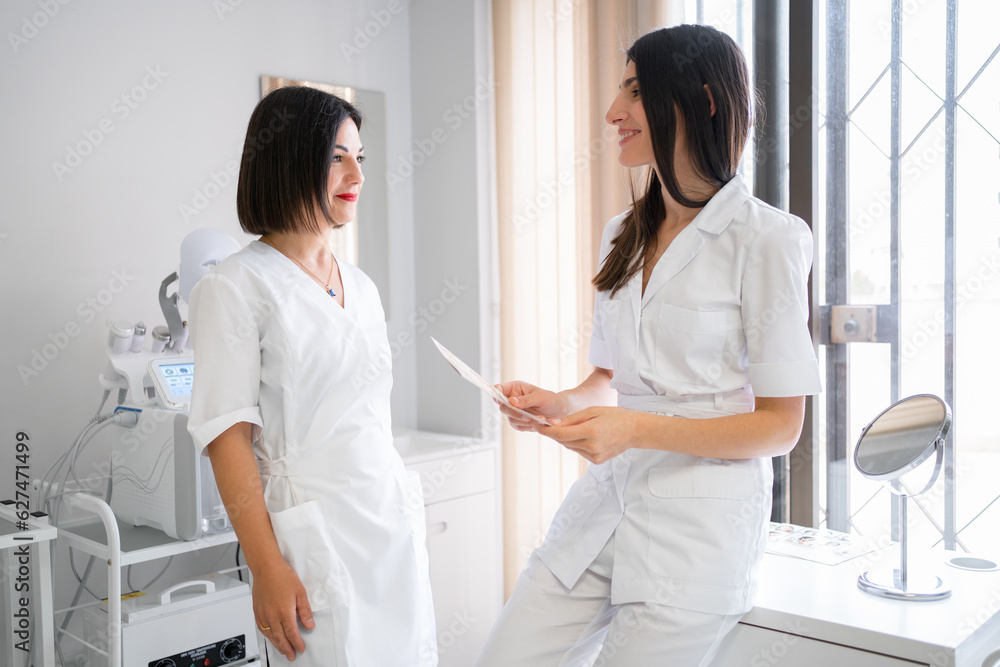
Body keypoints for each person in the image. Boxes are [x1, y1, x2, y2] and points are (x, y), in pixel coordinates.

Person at [475, 24, 822, 667]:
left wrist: (634, 428)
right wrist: (561, 402)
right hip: (602, 510)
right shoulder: (622, 234)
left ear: (705, 101)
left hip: (696, 537)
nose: (614, 112)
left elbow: (780, 426)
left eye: (636, 92)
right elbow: (608, 376)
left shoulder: (767, 239)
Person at [187, 86, 437, 666]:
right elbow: (228, 441)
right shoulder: (234, 287)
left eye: (360, 158)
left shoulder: (363, 287)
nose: (357, 173)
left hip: (388, 522)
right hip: (313, 538)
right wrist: (266, 565)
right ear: (289, 159)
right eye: (336, 156)